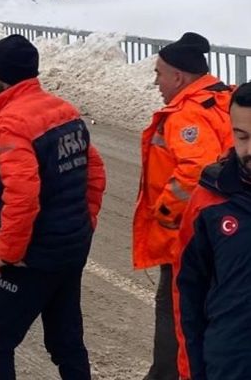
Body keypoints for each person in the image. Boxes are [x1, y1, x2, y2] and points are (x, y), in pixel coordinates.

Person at [0, 35, 106, 380]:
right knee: (67, 343)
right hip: (70, 248)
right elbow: (95, 172)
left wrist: (8, 253)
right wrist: (85, 223)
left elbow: (22, 194)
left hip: (31, 256)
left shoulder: (12, 122)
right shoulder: (65, 110)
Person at [132, 32, 233, 380]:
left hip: (187, 238)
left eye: (159, 73)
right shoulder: (224, 100)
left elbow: (194, 171)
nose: (156, 81)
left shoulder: (187, 115)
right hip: (226, 233)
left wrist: (165, 214)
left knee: (175, 315)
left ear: (179, 76)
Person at [174, 82, 251, 380]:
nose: (248, 149)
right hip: (229, 362)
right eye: (241, 136)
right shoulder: (209, 200)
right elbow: (188, 294)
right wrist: (191, 371)